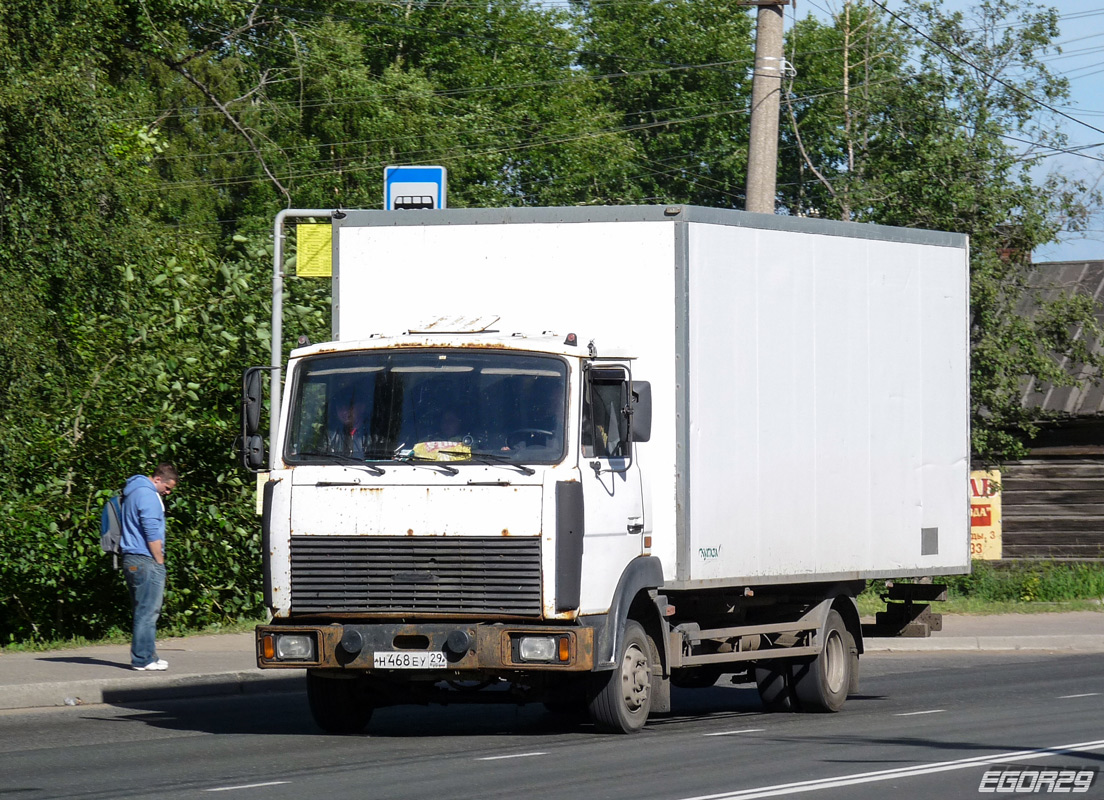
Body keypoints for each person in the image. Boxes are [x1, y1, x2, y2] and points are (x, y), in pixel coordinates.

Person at [119, 463, 179, 671]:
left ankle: (150, 655)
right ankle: (142, 659)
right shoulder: (148, 495)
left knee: (142, 609)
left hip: (131, 558)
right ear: (158, 479)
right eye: (167, 487)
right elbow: (151, 531)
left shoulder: (132, 491)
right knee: (148, 611)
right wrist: (159, 560)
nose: (168, 492)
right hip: (145, 559)